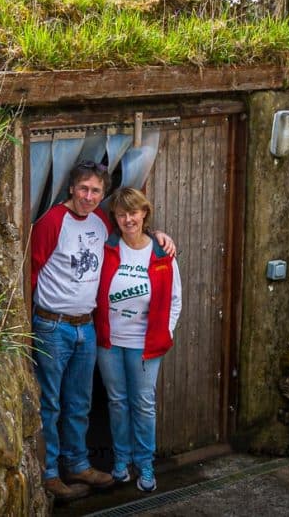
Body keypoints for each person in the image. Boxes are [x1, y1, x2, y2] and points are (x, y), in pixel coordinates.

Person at [30, 162, 175, 503]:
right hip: (53, 325)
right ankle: (51, 473)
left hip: (87, 327)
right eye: (83, 189)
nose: (89, 196)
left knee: (79, 402)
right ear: (71, 189)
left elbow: (132, 235)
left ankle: (78, 464)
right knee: (50, 403)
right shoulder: (52, 222)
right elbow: (31, 271)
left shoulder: (100, 224)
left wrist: (158, 237)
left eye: (96, 191)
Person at [94, 187, 182, 493]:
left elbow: (175, 300)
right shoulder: (107, 248)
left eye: (133, 212)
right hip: (110, 341)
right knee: (117, 402)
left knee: (143, 405)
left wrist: (165, 331)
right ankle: (122, 462)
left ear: (144, 214)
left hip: (145, 345)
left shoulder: (160, 252)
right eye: (121, 214)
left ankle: (145, 463)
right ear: (115, 218)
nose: (128, 219)